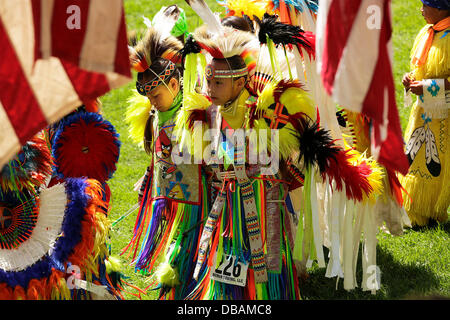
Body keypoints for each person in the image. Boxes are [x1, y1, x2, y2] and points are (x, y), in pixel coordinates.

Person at [122, 25, 210, 300]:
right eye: (148, 97)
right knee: (178, 245)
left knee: (190, 248)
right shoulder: (158, 112)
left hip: (197, 202)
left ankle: (190, 290)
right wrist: (148, 178)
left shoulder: (194, 112)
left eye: (156, 96)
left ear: (174, 84)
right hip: (171, 194)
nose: (152, 102)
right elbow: (158, 153)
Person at [401, 0, 449, 227]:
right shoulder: (428, 32)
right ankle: (412, 209)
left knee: (435, 160)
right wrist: (410, 78)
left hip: (444, 115)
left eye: (425, 5)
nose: (421, 10)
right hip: (422, 110)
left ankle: (429, 210)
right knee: (413, 156)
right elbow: (422, 67)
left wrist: (430, 86)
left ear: (440, 8)